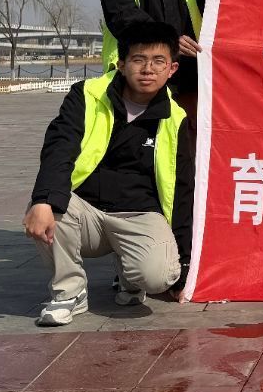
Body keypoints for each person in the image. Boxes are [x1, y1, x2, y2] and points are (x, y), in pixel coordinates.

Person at [23, 21, 194, 327]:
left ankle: (130, 274)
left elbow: (183, 190)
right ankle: (69, 291)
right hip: (86, 211)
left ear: (172, 69)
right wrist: (42, 200)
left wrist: (184, 268)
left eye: (158, 61)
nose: (148, 69)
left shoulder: (176, 118)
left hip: (140, 215)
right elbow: (59, 149)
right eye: (139, 60)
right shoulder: (87, 95)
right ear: (122, 64)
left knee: (158, 276)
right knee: (50, 204)